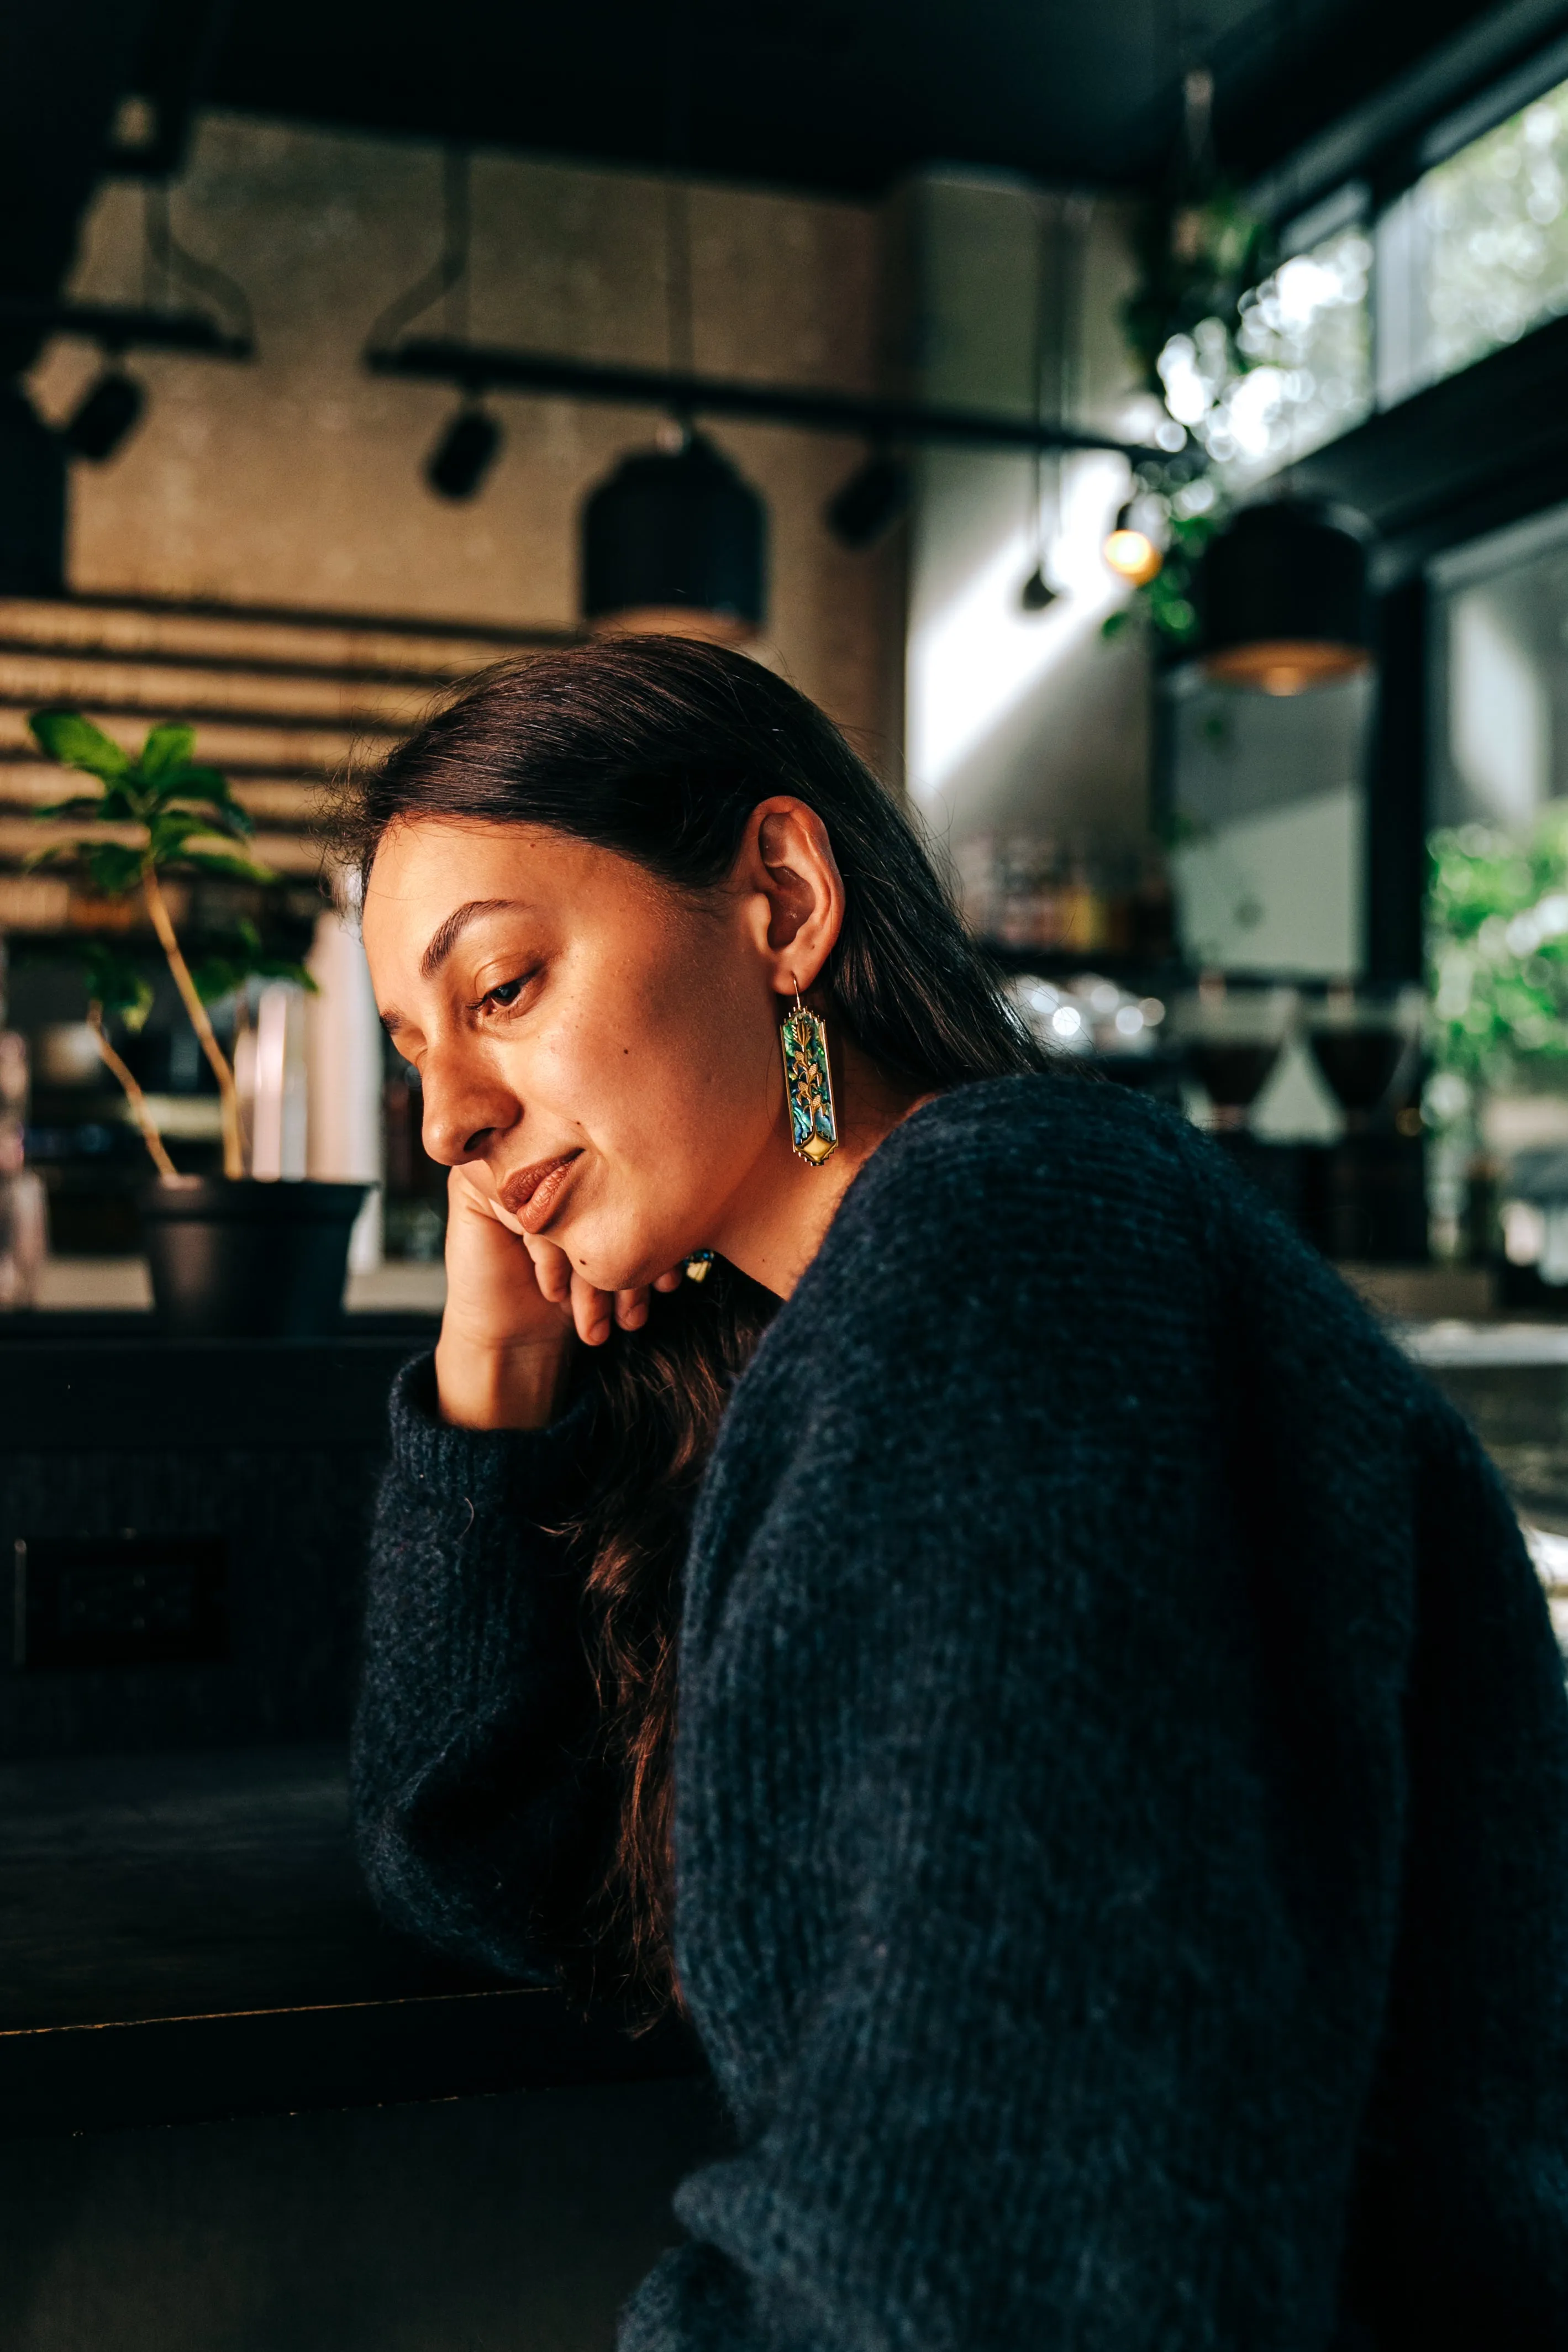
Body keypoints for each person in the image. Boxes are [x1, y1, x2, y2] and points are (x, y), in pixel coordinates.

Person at [346, 635, 1568, 2351]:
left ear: (777, 898)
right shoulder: (836, 1346)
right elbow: (479, 1864)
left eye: (502, 991)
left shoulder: (1013, 1249)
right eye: (412, 1053)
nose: (444, 1125)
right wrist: (492, 1369)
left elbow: (1013, 2262)